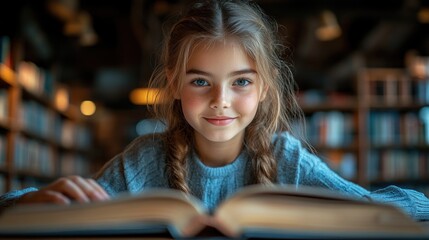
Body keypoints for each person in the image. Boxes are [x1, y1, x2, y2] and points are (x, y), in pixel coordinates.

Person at [1, 0, 428, 221]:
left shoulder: (288, 160)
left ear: (262, 89)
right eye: (200, 81)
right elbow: (34, 206)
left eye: (240, 81)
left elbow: (393, 207)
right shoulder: (143, 159)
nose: (220, 100)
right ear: (174, 84)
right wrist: (32, 201)